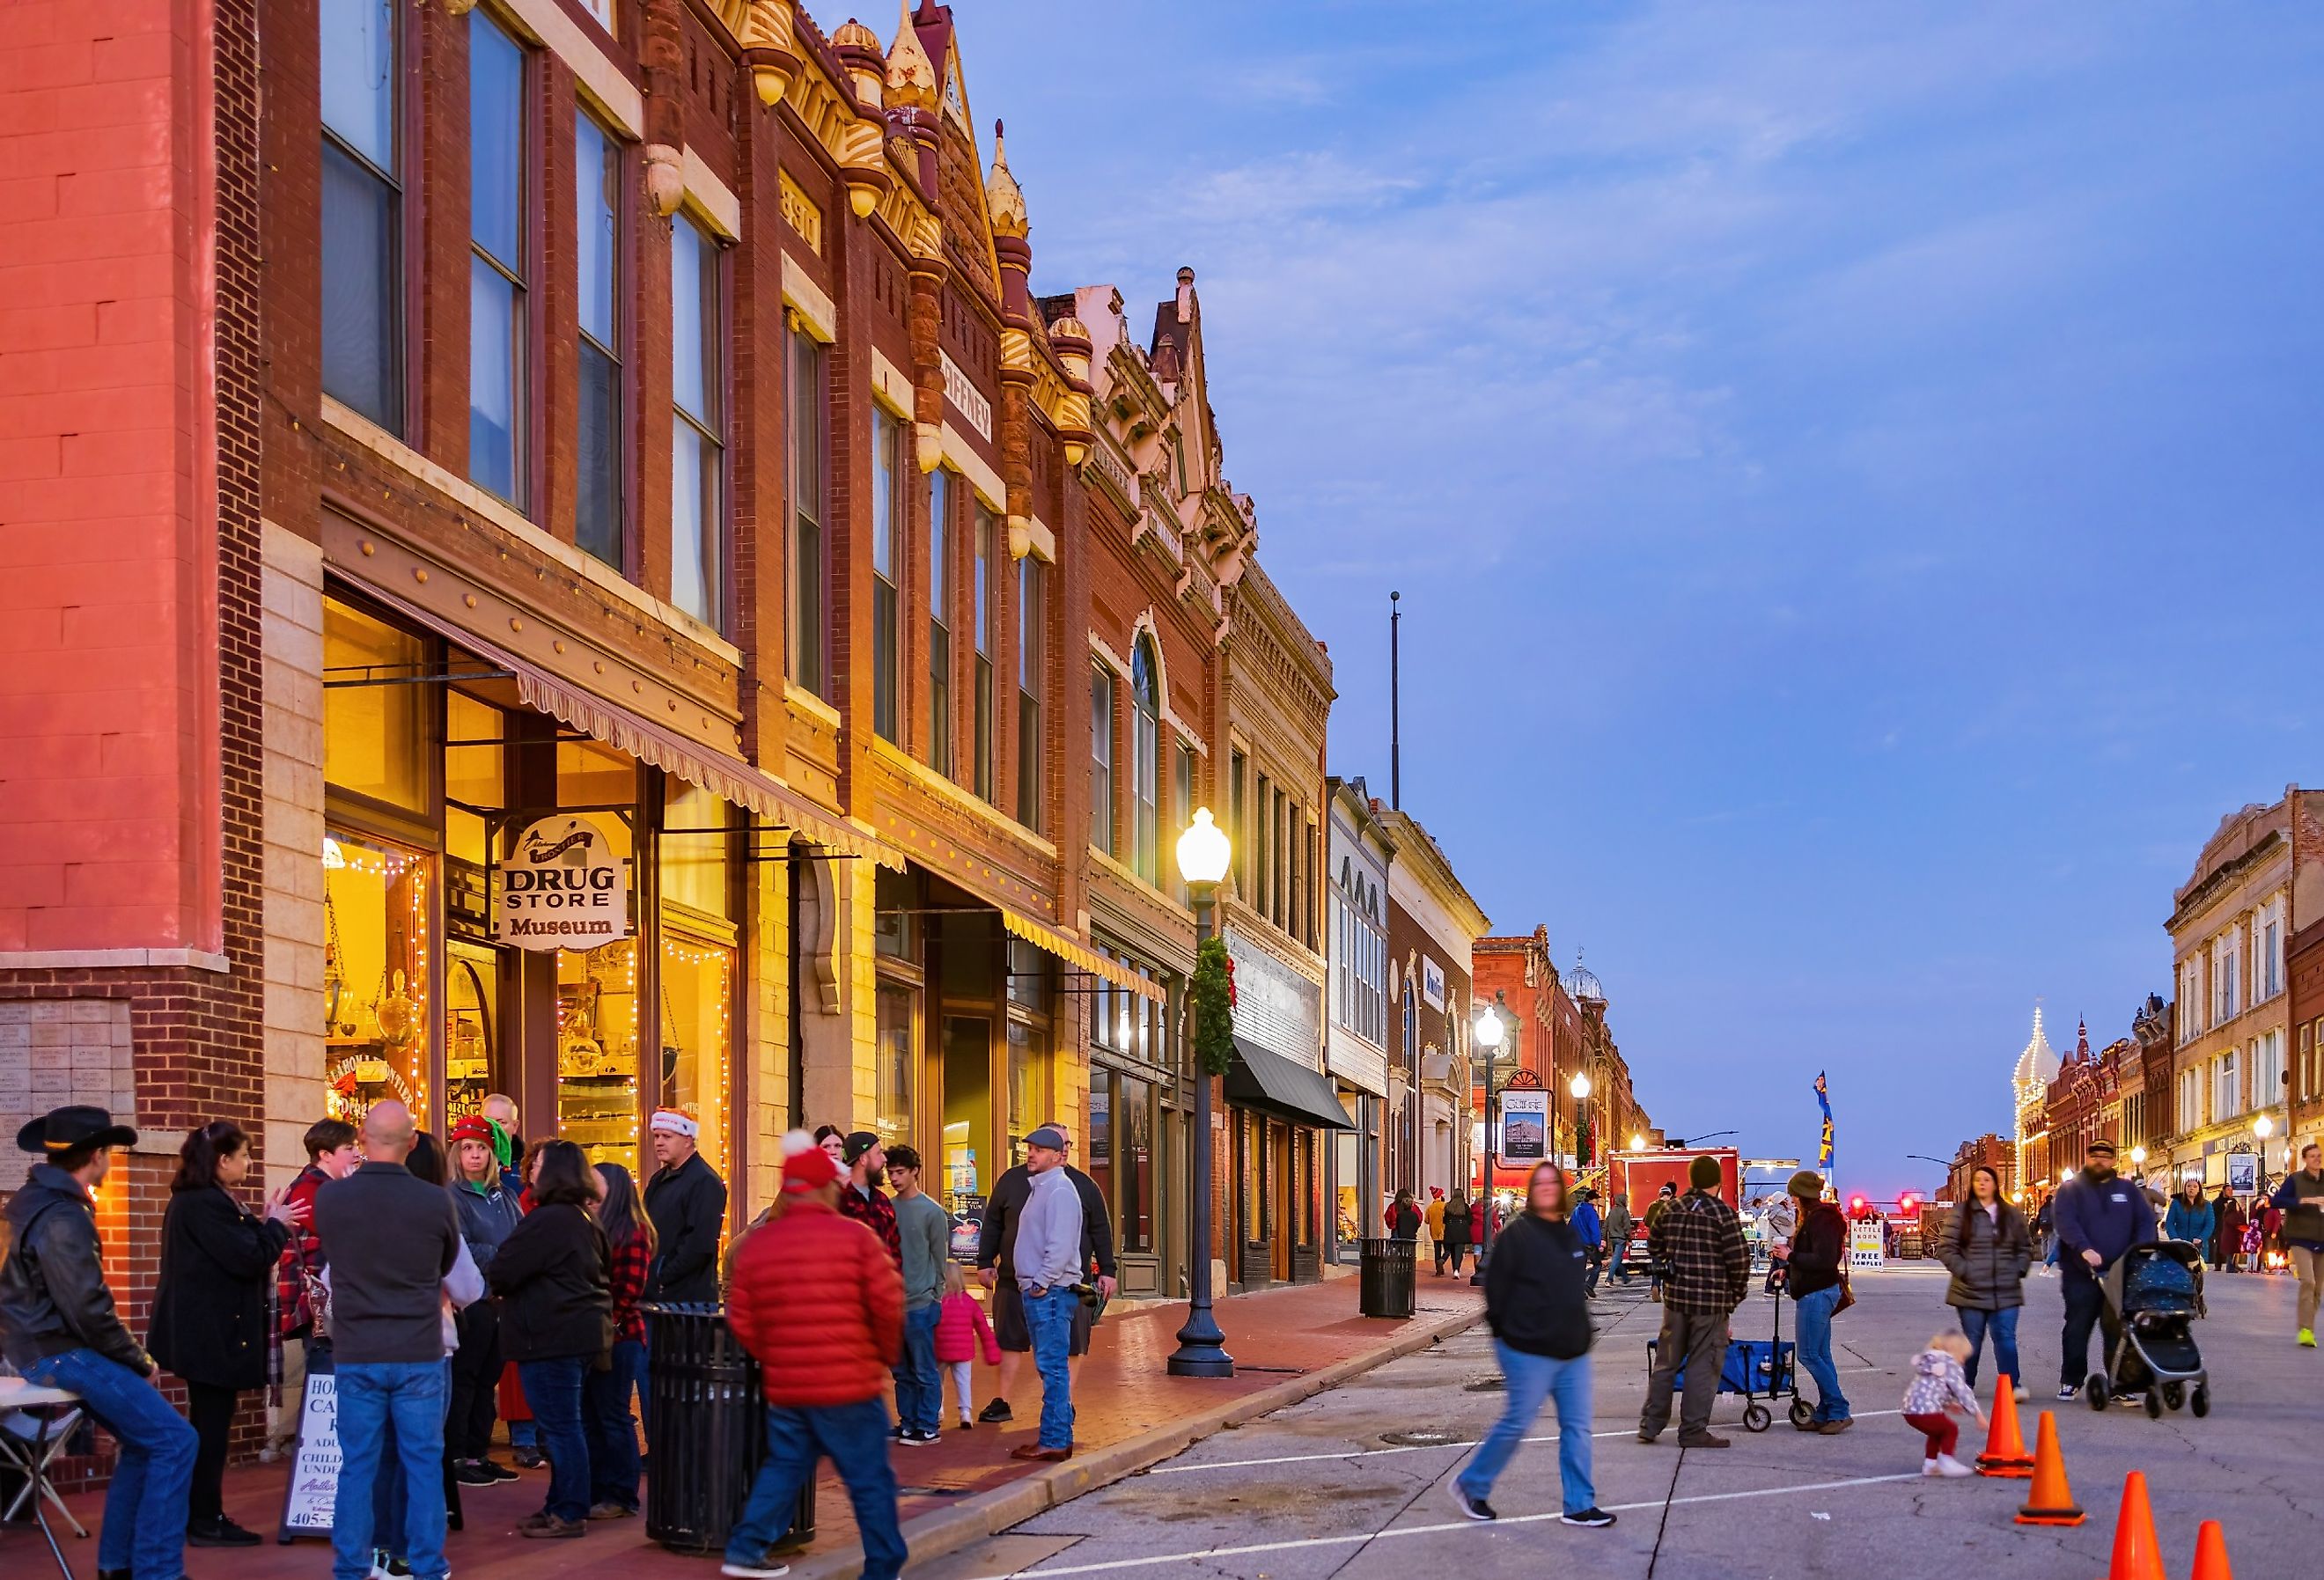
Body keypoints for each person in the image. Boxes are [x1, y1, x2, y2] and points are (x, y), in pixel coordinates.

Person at [4, 1106, 198, 1580]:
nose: (111, 1162)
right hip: (59, 1350)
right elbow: (88, 1309)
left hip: (39, 1347)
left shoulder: (31, 1201)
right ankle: (156, 1571)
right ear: (96, 1155)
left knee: (142, 1442)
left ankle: (119, 1565)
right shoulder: (62, 1216)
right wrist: (137, 1359)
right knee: (176, 1441)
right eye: (109, 1153)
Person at [722, 1132, 905, 1580]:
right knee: (868, 1479)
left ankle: (745, 1549)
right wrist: (882, 1357)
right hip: (848, 1384)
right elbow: (887, 1305)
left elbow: (741, 1316)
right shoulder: (856, 1238)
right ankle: (883, 1566)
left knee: (784, 1466)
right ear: (829, 1187)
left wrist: (776, 1356)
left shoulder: (757, 1245)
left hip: (788, 1386)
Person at [314, 1100, 463, 1580]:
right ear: (413, 1142)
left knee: (357, 1466)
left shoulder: (332, 1199)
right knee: (422, 1465)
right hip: (418, 1348)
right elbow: (445, 1267)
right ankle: (427, 1566)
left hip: (358, 1350)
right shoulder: (436, 1200)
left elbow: (334, 1261)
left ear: (361, 1138)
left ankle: (351, 1567)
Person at [145, 1120, 301, 1547]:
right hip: (208, 1336)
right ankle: (204, 1519)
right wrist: (276, 1227)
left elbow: (239, 1243)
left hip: (208, 1333)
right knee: (211, 1431)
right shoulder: (201, 1204)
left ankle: (204, 1513)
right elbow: (247, 1257)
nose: (249, 1163)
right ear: (222, 1160)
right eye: (245, 1155)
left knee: (212, 1427)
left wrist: (266, 1220)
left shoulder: (206, 1200)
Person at [1447, 1163, 1613, 1528]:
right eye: (1540, 1184)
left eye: (1553, 1183)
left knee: (1578, 1426)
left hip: (1572, 1350)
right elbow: (1496, 1292)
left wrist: (1582, 1331)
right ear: (1532, 1190)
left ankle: (1579, 1505)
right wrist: (1509, 1333)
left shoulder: (1567, 1235)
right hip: (1528, 1349)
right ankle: (1471, 1485)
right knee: (1518, 1421)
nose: (1547, 1189)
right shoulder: (1517, 1235)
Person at [486, 1139, 613, 1539]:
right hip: (575, 1335)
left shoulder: (550, 1219)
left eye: (538, 1165)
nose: (531, 1172)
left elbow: (504, 1268)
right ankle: (558, 1504)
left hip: (549, 1336)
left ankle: (569, 1511)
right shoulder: (583, 1218)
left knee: (561, 1428)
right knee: (564, 1425)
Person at [972, 1125, 1116, 1422]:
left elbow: (1096, 1231)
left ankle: (1063, 1407)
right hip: (1014, 1280)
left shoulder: (1078, 1186)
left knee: (1071, 1343)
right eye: (1035, 1147)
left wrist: (1108, 1270)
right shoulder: (1015, 1181)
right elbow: (994, 1222)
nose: (1061, 1150)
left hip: (1068, 1285)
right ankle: (1003, 1400)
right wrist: (985, 1260)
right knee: (1009, 1338)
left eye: (1063, 1144)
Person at [1637, 1157, 1748, 1448]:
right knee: (1703, 1365)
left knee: (1666, 1363)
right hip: (1710, 1304)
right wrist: (1734, 1298)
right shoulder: (1723, 1214)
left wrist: (1669, 1262)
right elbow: (1739, 1261)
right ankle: (1692, 1430)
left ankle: (1650, 1424)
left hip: (1676, 1301)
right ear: (1717, 1182)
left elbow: (1653, 1245)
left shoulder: (1671, 1208)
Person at [268, 1116, 357, 1460]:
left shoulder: (324, 1188)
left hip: (324, 1303)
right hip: (317, 1306)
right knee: (325, 1377)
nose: (355, 1155)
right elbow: (341, 1235)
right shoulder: (311, 1191)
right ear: (325, 1154)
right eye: (349, 1149)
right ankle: (317, 1458)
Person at [443, 1113, 521, 1486]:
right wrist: (503, 1255)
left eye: (482, 1149)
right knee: (465, 1378)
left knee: (489, 1378)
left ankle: (478, 1452)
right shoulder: (452, 1197)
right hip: (472, 1300)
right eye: (468, 1148)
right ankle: (458, 1455)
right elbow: (460, 1248)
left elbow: (524, 1238)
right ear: (457, 1154)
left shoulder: (504, 1195)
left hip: (503, 1300)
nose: (474, 1156)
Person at [2053, 1136, 2157, 1401]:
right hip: (2081, 1274)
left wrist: (2137, 1251)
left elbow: (2145, 1222)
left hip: (2120, 1272)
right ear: (2087, 1157)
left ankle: (2119, 1384)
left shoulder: (2128, 1190)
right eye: (2094, 1155)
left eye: (2105, 1156)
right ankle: (2071, 1380)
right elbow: (2066, 1222)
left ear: (2113, 1160)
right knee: (2077, 1326)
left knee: (2119, 1330)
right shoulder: (2070, 1190)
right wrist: (2084, 1248)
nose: (2099, 1160)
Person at [1010, 1125, 1084, 1462]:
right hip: (1043, 1290)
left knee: (1052, 1368)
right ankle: (1056, 1434)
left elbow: (1062, 1244)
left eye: (1038, 1150)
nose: (1031, 1154)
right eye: (1030, 1148)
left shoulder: (1060, 1190)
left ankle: (1054, 1439)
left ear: (1056, 1156)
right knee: (1050, 1367)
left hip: (1050, 1292)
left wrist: (1042, 1281)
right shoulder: (1041, 1189)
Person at [588, 1162, 653, 1518]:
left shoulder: (633, 1232)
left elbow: (627, 1291)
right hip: (598, 1332)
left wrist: (605, 1321)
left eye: (595, 1184)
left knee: (613, 1414)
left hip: (621, 1335)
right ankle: (599, 1486)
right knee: (595, 1414)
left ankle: (622, 1492)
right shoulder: (592, 1226)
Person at [1934, 1165, 2032, 1393]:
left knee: (2005, 1338)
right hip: (1970, 1290)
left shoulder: (2011, 1214)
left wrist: (2018, 1269)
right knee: (1973, 1341)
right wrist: (1965, 1271)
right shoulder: (1961, 1213)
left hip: (2006, 1290)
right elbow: (1946, 1247)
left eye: (1987, 1179)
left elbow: (2025, 1247)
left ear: (1995, 1184)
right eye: (1977, 1180)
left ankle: (2011, 1385)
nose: (1981, 1183)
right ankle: (1965, 1384)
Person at [885, 1144, 950, 1444]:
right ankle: (908, 1421)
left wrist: (936, 1293)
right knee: (901, 1370)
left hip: (921, 1302)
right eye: (891, 1172)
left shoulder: (932, 1212)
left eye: (900, 1172)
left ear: (915, 1172)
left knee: (924, 1369)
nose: (894, 1178)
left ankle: (927, 1424)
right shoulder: (888, 1208)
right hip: (892, 1304)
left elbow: (940, 1256)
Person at [1783, 1170, 1855, 1431]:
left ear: (1801, 1195)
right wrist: (1788, 1269)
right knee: (1821, 1354)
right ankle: (1826, 1411)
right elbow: (1815, 1257)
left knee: (1809, 1355)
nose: (1791, 1199)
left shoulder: (1820, 1220)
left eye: (1793, 1194)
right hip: (1818, 1290)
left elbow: (1824, 1261)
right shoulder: (1817, 1218)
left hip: (1817, 1293)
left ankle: (1838, 1409)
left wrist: (1790, 1256)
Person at [640, 1108, 727, 1304]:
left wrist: (663, 1276)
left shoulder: (705, 1181)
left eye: (667, 1136)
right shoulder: (658, 1180)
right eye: (656, 1136)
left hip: (687, 1301)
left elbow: (700, 1243)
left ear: (688, 1140)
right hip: (657, 1295)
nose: (659, 1142)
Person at [1901, 1331, 1987, 1479]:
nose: (1963, 1362)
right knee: (1950, 1429)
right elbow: (1962, 1391)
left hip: (1910, 1410)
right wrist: (1977, 1415)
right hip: (1925, 1410)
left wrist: (1947, 1404)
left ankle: (1930, 1465)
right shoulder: (1950, 1363)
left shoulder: (1930, 1360)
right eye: (1963, 1357)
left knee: (1937, 1432)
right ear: (1955, 1351)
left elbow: (1932, 1389)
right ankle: (1947, 1461)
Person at [932, 1262, 998, 1430]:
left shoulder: (937, 1302)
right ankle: (965, 1412)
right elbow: (983, 1328)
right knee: (963, 1382)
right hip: (963, 1352)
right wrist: (992, 1353)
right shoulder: (969, 1302)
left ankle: (937, 1411)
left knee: (936, 1381)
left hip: (939, 1351)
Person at [2269, 1145, 2324, 1344]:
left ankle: (2308, 1324)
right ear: (2304, 1159)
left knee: (2318, 1288)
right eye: (2312, 1156)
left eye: (2319, 1156)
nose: (2317, 1159)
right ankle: (2306, 1330)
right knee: (2308, 1281)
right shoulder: (2295, 1180)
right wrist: (2305, 1200)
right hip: (2300, 1238)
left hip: (2322, 1240)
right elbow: (2276, 1201)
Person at [835, 1131, 901, 1264]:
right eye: (878, 1153)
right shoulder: (838, 1201)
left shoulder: (882, 1201)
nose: (884, 1159)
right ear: (863, 1159)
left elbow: (895, 1250)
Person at [1760, 1187, 1798, 1296]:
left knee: (1775, 1267)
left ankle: (1769, 1289)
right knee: (1785, 1265)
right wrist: (1791, 1209)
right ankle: (1788, 1290)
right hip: (1780, 1242)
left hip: (1778, 1241)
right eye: (1786, 1199)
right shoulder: (1779, 1212)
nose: (1788, 1201)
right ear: (1782, 1201)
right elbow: (1790, 1221)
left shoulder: (1776, 1211)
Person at [1644, 1181, 1678, 1299]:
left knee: (1656, 1265)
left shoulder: (1652, 1206)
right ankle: (1667, 1291)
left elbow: (1647, 1222)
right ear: (1670, 1195)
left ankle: (1655, 1286)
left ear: (1660, 1194)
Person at [2165, 1177, 2215, 1254]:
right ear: (2185, 1188)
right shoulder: (2176, 1203)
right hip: (2180, 1243)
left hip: (2198, 1245)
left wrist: (2200, 1238)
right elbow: (2169, 1223)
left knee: (2198, 1265)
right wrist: (2175, 1238)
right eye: (2189, 1186)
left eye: (2195, 1186)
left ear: (2199, 1190)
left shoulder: (2207, 1205)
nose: (2191, 1188)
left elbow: (2210, 1224)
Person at [1571, 1188, 1605, 1297]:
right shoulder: (1591, 1212)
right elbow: (1594, 1229)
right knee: (1597, 1265)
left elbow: (1570, 1226)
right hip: (1589, 1244)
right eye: (1596, 1199)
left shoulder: (1576, 1210)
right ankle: (1589, 1285)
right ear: (1590, 1200)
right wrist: (1599, 1244)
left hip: (1576, 1243)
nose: (1597, 1201)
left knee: (1580, 1267)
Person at [1441, 1191, 1475, 1278]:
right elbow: (1470, 1220)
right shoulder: (1465, 1206)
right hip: (1461, 1231)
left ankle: (1453, 1268)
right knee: (1459, 1252)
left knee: (1452, 1252)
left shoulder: (1448, 1206)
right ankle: (1457, 1270)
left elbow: (1444, 1220)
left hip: (1450, 1229)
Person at [1604, 1193, 1634, 1284]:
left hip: (1612, 1238)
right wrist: (1629, 1239)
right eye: (1627, 1200)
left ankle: (1625, 1278)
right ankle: (1609, 1279)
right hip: (1621, 1238)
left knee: (1618, 1259)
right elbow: (1627, 1227)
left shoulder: (1612, 1211)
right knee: (1616, 1259)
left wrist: (1604, 1238)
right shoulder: (1624, 1211)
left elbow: (1606, 1225)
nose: (1627, 1202)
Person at [2213, 1186, 2243, 1274]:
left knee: (2234, 1246)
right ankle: (2218, 1265)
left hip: (2232, 1228)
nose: (2230, 1192)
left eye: (2231, 1190)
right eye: (2228, 1190)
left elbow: (2239, 1212)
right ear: (2224, 1191)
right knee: (2219, 1245)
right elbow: (2214, 1215)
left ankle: (2234, 1265)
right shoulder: (2217, 1202)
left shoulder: (2234, 1201)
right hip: (2220, 1227)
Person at [1426, 1189, 1449, 1275]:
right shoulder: (1445, 1206)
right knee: (1448, 1249)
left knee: (1437, 1251)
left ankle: (1438, 1270)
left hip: (1434, 1231)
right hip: (1444, 1230)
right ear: (1440, 1196)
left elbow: (1426, 1221)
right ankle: (1442, 1260)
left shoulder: (1430, 1208)